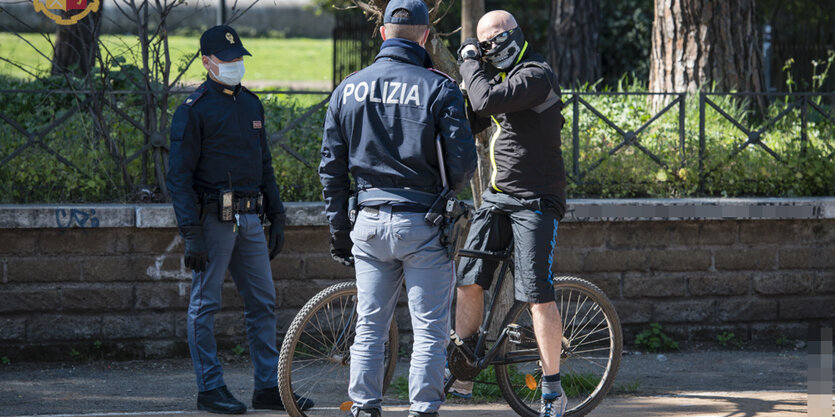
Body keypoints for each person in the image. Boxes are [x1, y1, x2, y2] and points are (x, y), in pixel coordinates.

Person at [319, 0, 477, 415]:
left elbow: (331, 170)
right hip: (423, 221)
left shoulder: (347, 88)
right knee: (428, 331)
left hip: (368, 222)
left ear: (383, 33)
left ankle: (363, 408)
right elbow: (463, 164)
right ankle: (422, 410)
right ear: (425, 36)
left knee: (369, 326)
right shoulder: (438, 87)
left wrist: (340, 232)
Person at [166, 25, 312, 415]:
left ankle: (267, 386)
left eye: (238, 58)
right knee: (205, 305)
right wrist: (191, 234)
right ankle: (210, 388)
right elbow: (178, 179)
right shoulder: (193, 110)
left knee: (263, 302)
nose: (235, 65)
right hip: (213, 219)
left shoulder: (251, 105)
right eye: (227, 59)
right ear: (207, 62)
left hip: (250, 219)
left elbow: (265, 164)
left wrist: (277, 215)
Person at [452, 10, 568, 417]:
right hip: (499, 197)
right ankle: (463, 373)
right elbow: (474, 116)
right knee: (468, 279)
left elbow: (485, 99)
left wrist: (468, 61)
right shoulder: (499, 79)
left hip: (536, 199)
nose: (490, 48)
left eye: (496, 39)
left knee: (537, 294)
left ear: (516, 34)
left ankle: (552, 390)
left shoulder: (535, 75)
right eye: (484, 44)